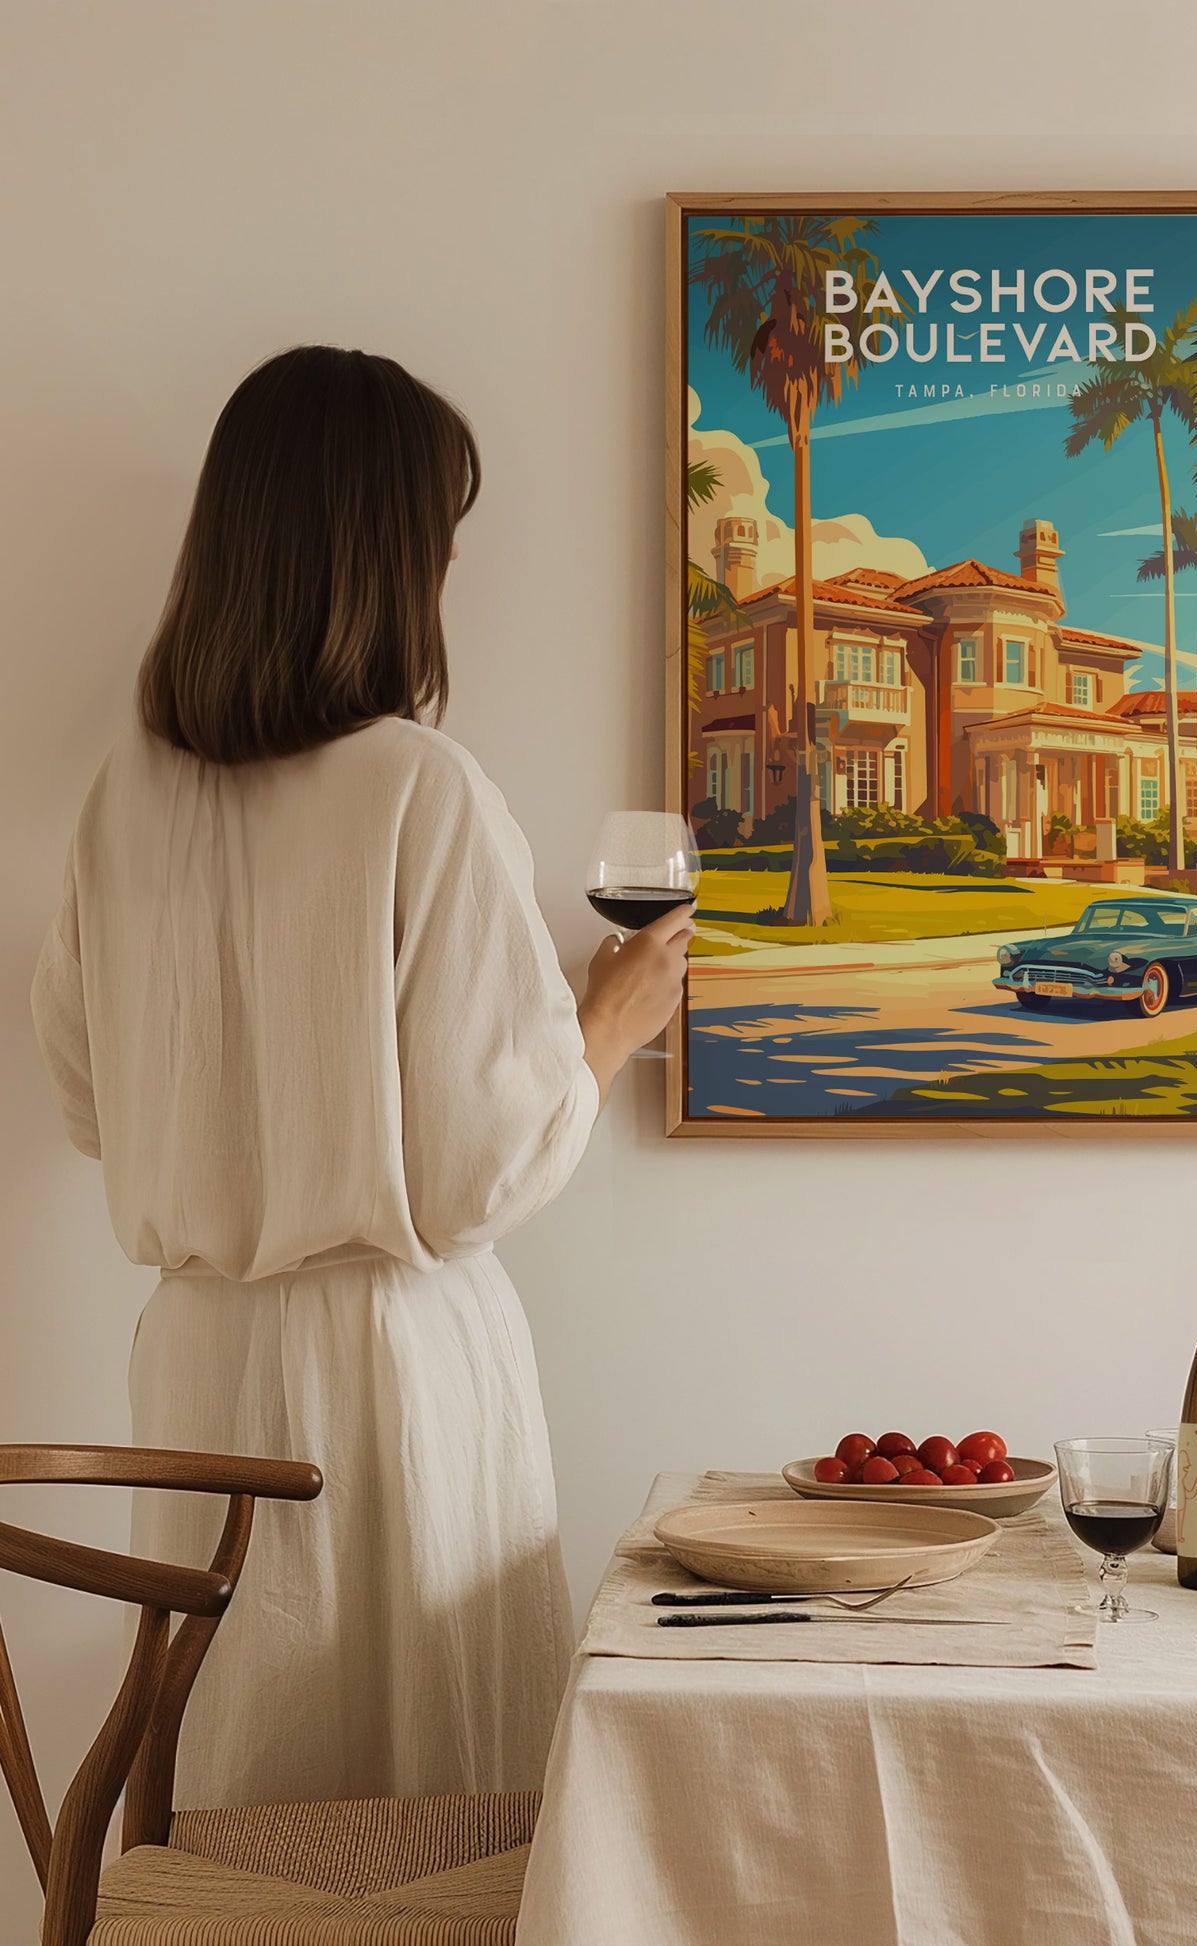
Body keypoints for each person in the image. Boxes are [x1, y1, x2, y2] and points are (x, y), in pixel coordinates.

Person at [29, 345, 690, 1806]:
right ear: (387, 556)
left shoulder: (122, 798)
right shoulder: (417, 785)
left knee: (241, 1793)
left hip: (198, 1362)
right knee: (424, 1812)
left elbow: (87, 1100)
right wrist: (606, 1020)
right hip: (391, 1373)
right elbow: (474, 1172)